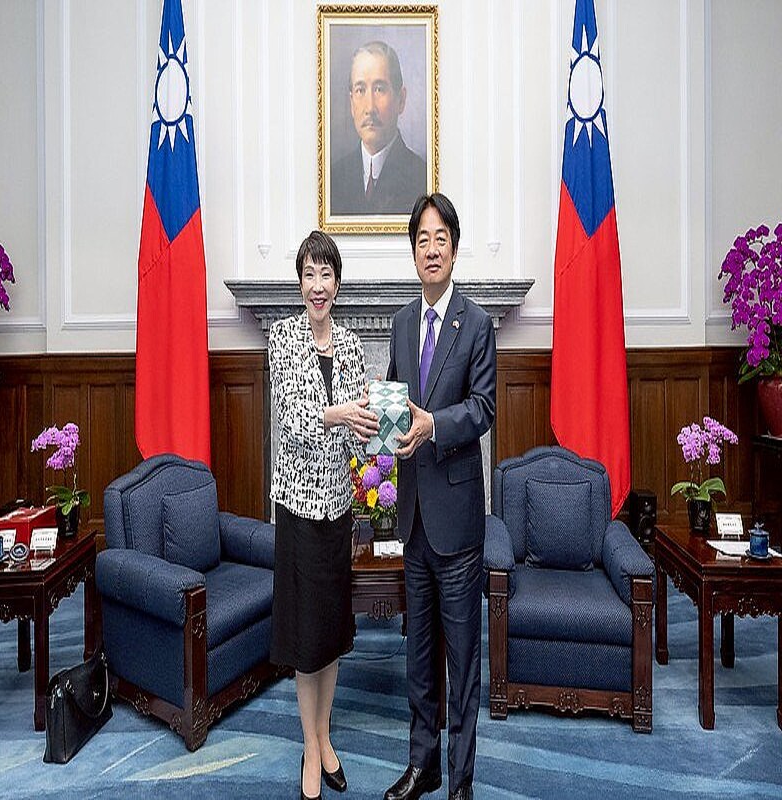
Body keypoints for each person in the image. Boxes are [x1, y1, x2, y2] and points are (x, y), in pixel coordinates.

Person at [384, 194, 496, 800]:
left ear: (454, 248)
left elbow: (482, 408)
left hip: (456, 520)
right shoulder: (402, 323)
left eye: (440, 238)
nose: (431, 249)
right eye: (421, 240)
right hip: (413, 520)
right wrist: (384, 427)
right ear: (413, 252)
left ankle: (461, 782)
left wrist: (434, 426)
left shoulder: (476, 324)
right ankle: (421, 765)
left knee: (463, 662)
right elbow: (397, 401)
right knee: (419, 656)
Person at [269, 230, 379, 800]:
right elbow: (295, 419)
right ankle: (310, 747)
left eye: (327, 275)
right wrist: (342, 413)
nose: (318, 286)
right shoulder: (282, 339)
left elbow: (360, 436)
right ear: (300, 283)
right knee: (306, 637)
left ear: (338, 284)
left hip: (338, 508)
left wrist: (379, 424)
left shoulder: (354, 345)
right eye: (309, 274)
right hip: (298, 509)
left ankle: (325, 734)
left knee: (332, 635)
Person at [331, 40, 427, 216]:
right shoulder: (333, 178)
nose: (370, 108)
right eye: (360, 90)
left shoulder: (422, 178)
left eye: (379, 89)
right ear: (351, 103)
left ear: (401, 100)